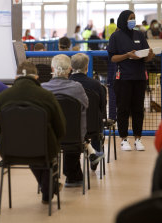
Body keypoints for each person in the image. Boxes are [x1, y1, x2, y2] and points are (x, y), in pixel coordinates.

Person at [0, 61, 66, 203]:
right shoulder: (46, 96)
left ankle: (47, 187)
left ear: (16, 78)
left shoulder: (3, 96)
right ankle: (48, 188)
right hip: (43, 149)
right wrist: (56, 141)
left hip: (11, 151)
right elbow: (60, 127)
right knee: (41, 147)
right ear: (36, 78)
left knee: (29, 146)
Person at [41, 54, 104, 186]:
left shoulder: (43, 89)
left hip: (48, 138)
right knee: (74, 127)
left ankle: (49, 177)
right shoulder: (76, 88)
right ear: (69, 69)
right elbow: (86, 106)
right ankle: (72, 176)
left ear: (52, 68)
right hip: (74, 137)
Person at [108, 10, 154, 151]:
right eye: (130, 18)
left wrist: (149, 55)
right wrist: (127, 55)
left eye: (134, 18)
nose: (133, 21)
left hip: (139, 77)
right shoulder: (115, 36)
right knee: (123, 109)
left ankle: (138, 138)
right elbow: (113, 57)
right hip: (124, 78)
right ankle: (123, 139)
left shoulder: (139, 34)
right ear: (123, 20)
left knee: (138, 110)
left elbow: (145, 55)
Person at [69, 53, 107, 170]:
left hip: (71, 127)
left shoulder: (67, 83)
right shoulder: (96, 84)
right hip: (93, 126)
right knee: (97, 120)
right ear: (86, 67)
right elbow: (102, 106)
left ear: (71, 67)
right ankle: (96, 152)